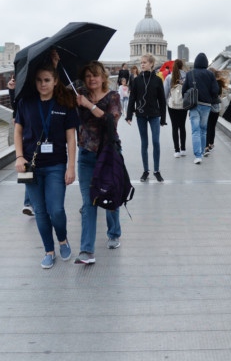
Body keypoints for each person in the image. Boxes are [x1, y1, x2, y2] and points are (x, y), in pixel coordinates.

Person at [13, 60, 79, 269]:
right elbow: (18, 131)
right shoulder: (26, 102)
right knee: (40, 212)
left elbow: (71, 139)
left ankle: (63, 240)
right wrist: (19, 156)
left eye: (47, 80)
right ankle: (49, 251)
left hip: (56, 165)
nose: (43, 84)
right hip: (31, 166)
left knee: (56, 210)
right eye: (40, 80)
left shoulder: (65, 103)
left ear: (56, 81)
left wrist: (70, 167)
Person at [74, 61, 123, 264]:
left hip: (108, 153)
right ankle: (87, 250)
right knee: (89, 202)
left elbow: (111, 120)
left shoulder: (113, 96)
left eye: (95, 75)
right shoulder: (79, 94)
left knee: (109, 196)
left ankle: (114, 233)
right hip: (86, 154)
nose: (91, 79)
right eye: (87, 76)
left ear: (103, 77)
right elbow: (56, 92)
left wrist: (89, 105)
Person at [125, 53, 167, 182]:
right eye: (141, 62)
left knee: (156, 142)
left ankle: (157, 170)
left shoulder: (157, 80)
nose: (142, 64)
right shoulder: (137, 80)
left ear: (151, 64)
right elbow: (132, 98)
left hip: (154, 115)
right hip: (141, 115)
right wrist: (129, 114)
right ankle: (145, 170)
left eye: (145, 62)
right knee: (144, 143)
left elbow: (162, 100)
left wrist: (163, 118)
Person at [182, 52, 219, 164]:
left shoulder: (190, 74)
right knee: (203, 130)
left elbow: (184, 90)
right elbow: (215, 91)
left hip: (194, 105)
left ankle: (197, 155)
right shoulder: (210, 74)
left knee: (195, 131)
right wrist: (209, 98)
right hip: (206, 106)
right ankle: (202, 152)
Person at [7, 76, 34, 216]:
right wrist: (12, 90)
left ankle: (30, 203)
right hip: (28, 132)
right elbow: (18, 106)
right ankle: (29, 203)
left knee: (33, 167)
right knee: (29, 165)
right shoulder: (25, 79)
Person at [163, 59, 188, 158]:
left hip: (172, 105)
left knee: (174, 127)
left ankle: (176, 150)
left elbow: (165, 93)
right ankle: (183, 149)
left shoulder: (169, 77)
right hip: (183, 105)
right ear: (182, 66)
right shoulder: (186, 76)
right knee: (182, 126)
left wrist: (167, 103)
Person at [205, 68, 229, 156]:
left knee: (208, 126)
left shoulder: (209, 83)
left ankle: (207, 145)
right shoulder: (219, 83)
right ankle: (211, 143)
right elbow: (219, 95)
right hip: (217, 108)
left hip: (209, 107)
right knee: (212, 126)